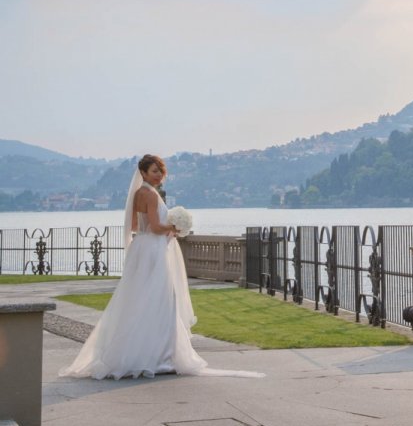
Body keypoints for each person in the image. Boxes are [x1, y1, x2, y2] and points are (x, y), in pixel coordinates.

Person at [60, 154, 262, 380]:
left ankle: (139, 353)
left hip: (142, 248)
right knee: (162, 299)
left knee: (140, 299)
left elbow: (137, 225)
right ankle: (161, 357)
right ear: (144, 173)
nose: (159, 175)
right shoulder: (150, 194)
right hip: (154, 250)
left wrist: (166, 228)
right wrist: (174, 227)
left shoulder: (139, 194)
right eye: (154, 171)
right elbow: (156, 227)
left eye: (160, 170)